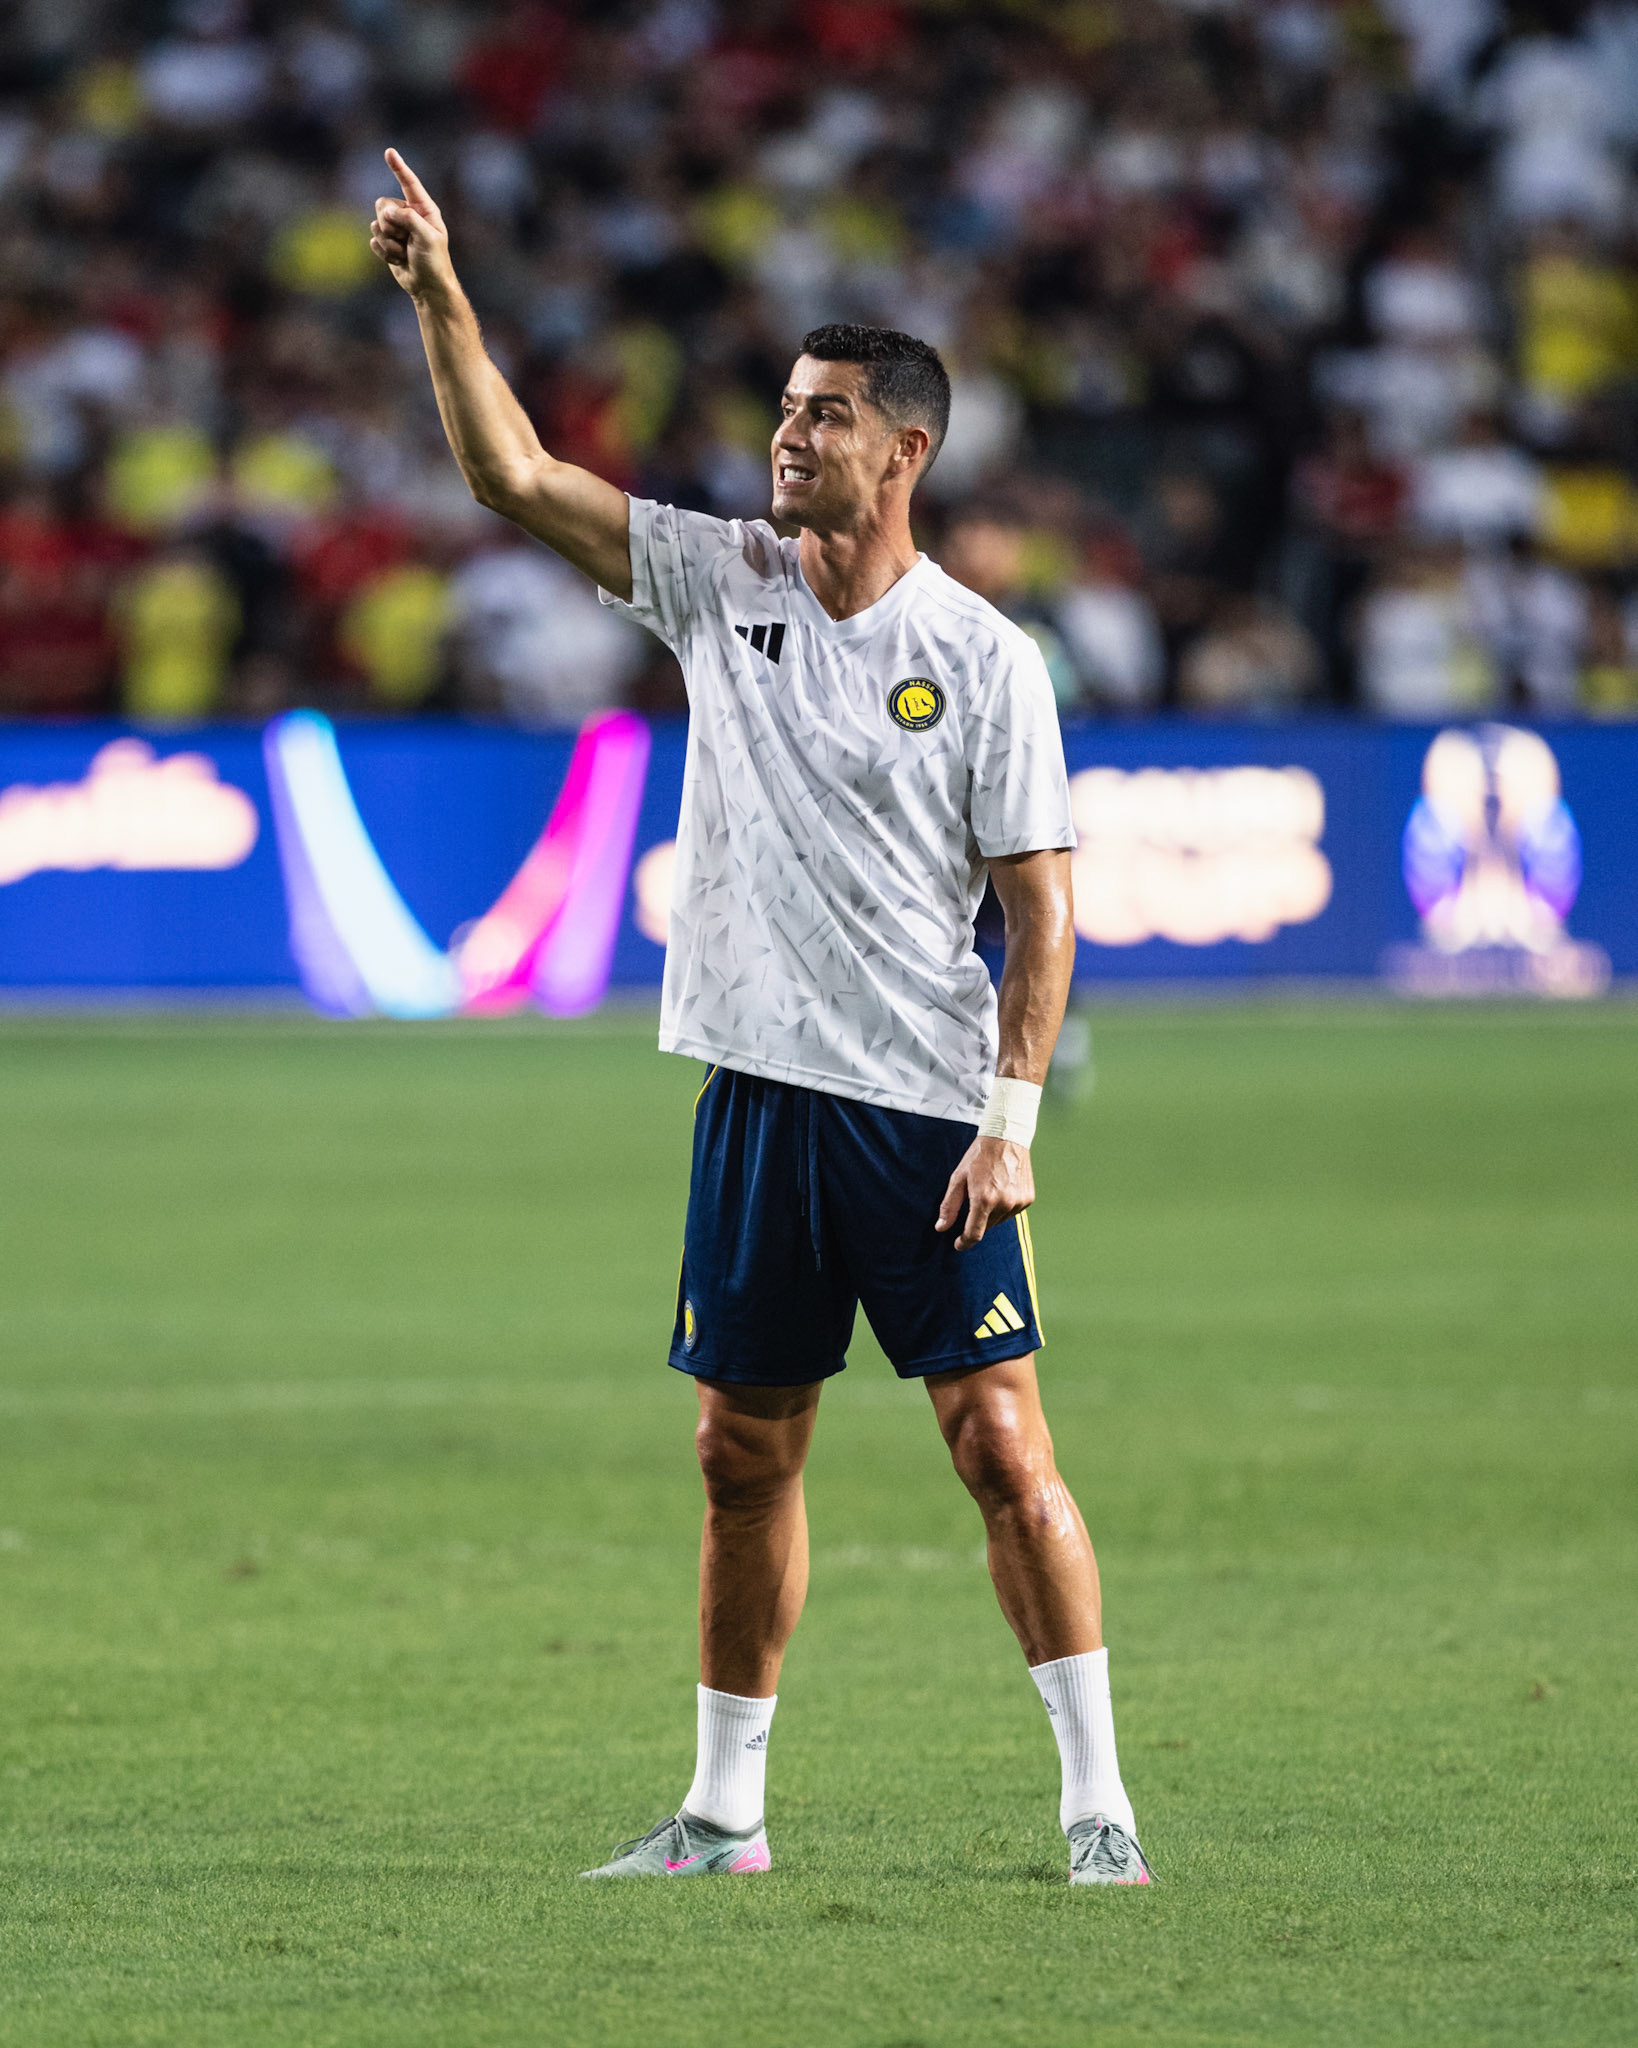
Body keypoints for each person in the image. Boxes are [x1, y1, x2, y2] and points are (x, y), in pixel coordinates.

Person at [371, 150, 1151, 1890]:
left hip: (926, 1114)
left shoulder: (988, 659)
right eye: (785, 408)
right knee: (740, 1452)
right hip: (753, 1098)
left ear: (908, 452)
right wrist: (439, 297)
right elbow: (511, 475)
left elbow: (1041, 912)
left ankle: (1097, 1801)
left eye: (825, 416)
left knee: (1001, 1445)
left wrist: (1010, 1129)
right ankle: (725, 1816)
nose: (787, 436)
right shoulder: (720, 578)